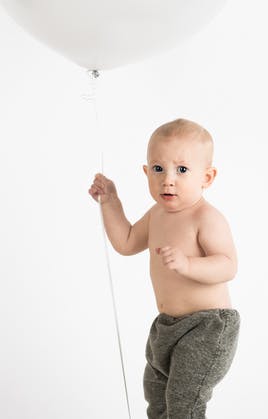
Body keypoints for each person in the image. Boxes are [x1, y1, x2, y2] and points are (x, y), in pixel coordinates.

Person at [88, 118, 240, 419]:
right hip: (167, 326)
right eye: (158, 169)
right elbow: (127, 242)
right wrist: (110, 203)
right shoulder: (157, 214)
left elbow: (228, 265)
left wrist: (188, 264)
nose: (167, 179)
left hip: (208, 327)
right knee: (157, 399)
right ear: (146, 172)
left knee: (183, 402)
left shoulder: (206, 218)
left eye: (182, 170)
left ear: (207, 178)